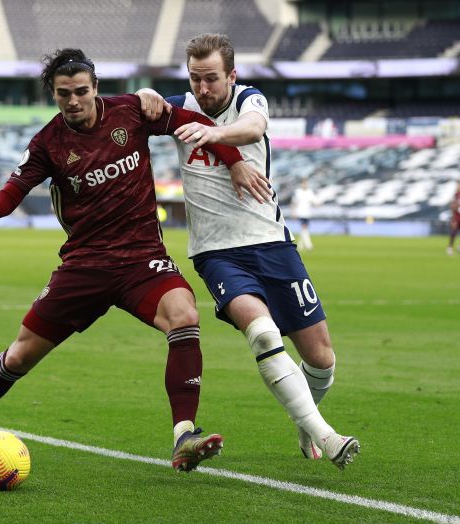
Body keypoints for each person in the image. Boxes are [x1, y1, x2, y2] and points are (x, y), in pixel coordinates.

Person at [0, 48, 265, 472]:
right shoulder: (48, 143)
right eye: (63, 94)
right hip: (84, 268)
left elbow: (197, 124)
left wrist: (234, 163)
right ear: (53, 95)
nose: (73, 101)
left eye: (81, 92)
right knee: (18, 357)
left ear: (95, 89)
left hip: (142, 261)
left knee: (184, 314)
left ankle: (184, 435)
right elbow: (10, 195)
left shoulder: (131, 112)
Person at [137, 34, 359, 469]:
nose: (203, 89)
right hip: (217, 253)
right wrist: (146, 93)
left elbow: (253, 129)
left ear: (232, 76)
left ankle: (304, 423)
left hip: (273, 244)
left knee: (321, 358)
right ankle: (327, 435)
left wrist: (214, 134)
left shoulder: (250, 101)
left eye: (212, 80)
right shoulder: (182, 105)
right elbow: (140, 105)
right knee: (261, 333)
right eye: (195, 79)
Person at [290, 177, 320, 252]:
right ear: (301, 184)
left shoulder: (310, 192)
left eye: (306, 183)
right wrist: (293, 212)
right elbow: (294, 203)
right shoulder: (298, 192)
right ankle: (309, 245)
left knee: (304, 230)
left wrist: (318, 204)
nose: (305, 185)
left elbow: (315, 201)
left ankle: (300, 246)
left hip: (308, 213)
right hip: (300, 213)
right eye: (303, 183)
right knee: (304, 228)